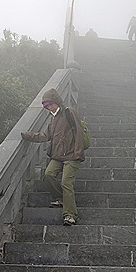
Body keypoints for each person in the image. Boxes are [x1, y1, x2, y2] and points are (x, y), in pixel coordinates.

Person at [20, 88, 84, 226]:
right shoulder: (53, 118)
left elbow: (79, 133)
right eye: (46, 106)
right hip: (58, 155)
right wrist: (28, 135)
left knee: (66, 183)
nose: (49, 108)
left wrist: (78, 153)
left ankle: (70, 215)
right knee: (48, 174)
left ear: (56, 101)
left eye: (50, 104)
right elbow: (45, 136)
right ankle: (60, 198)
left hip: (72, 155)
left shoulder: (69, 113)